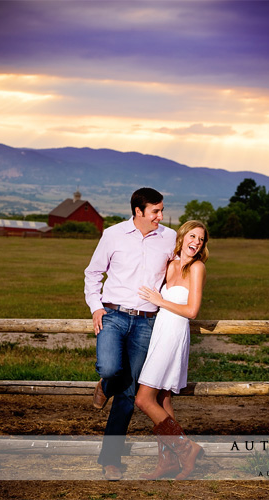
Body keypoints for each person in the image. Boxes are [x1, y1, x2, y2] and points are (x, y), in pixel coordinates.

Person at [84, 187, 176, 481]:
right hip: (112, 315)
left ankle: (110, 459)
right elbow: (93, 273)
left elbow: (178, 271)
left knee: (128, 393)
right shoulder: (113, 235)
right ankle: (105, 384)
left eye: (161, 211)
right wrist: (96, 307)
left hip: (147, 322)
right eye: (155, 211)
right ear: (138, 211)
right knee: (110, 368)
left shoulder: (169, 237)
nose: (160, 217)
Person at [134, 220, 209, 480]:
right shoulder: (171, 264)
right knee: (163, 398)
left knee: (143, 399)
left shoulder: (197, 268)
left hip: (174, 333)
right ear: (182, 237)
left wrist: (160, 300)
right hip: (159, 331)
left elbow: (191, 311)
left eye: (201, 239)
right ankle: (168, 463)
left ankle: (186, 449)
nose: (196, 242)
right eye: (192, 236)